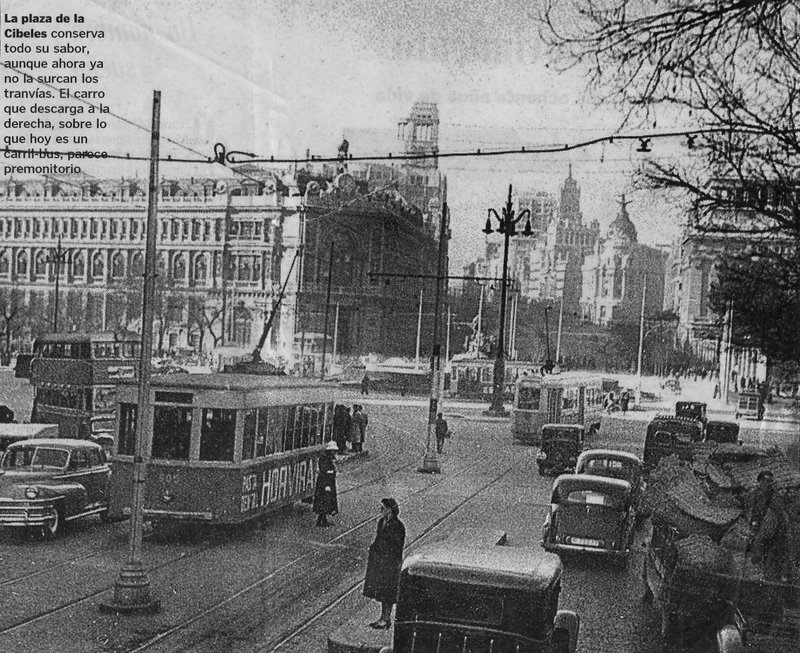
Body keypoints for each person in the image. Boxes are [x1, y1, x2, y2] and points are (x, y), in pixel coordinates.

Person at [364, 497, 406, 629]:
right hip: (380, 562)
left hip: (390, 563)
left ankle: (385, 618)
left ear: (389, 510)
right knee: (382, 591)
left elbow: (397, 547)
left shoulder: (398, 526)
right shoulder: (382, 522)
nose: (380, 511)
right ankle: (384, 618)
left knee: (388, 592)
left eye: (382, 508)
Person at [312, 441, 339, 527]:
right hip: (325, 482)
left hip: (328, 481)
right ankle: (322, 521)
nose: (334, 452)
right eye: (333, 450)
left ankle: (322, 520)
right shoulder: (325, 458)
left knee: (325, 501)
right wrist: (327, 484)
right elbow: (324, 471)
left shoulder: (329, 458)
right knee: (324, 501)